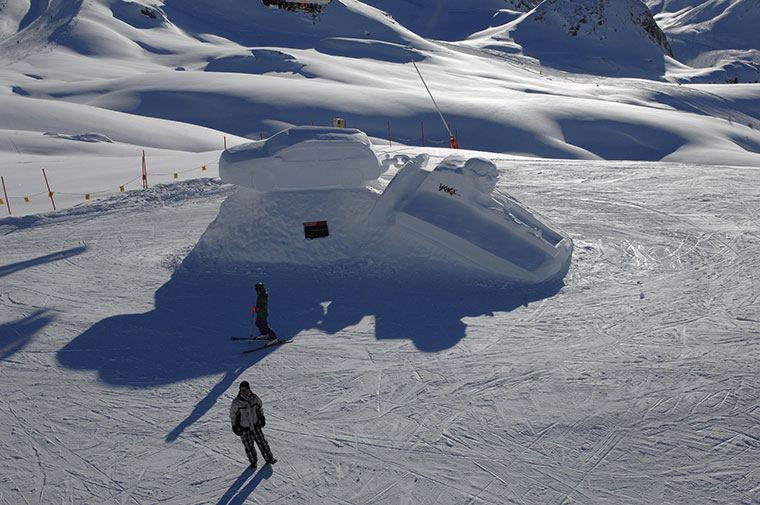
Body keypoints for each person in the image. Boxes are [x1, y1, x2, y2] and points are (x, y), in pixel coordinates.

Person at [230, 381, 277, 469]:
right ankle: (253, 461)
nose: (242, 392)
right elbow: (233, 415)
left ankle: (269, 458)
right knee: (248, 446)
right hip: (244, 428)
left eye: (244, 390)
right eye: (241, 390)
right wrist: (234, 426)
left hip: (255, 425)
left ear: (249, 389)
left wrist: (262, 418)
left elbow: (260, 408)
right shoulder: (236, 402)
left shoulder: (254, 398)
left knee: (262, 443)